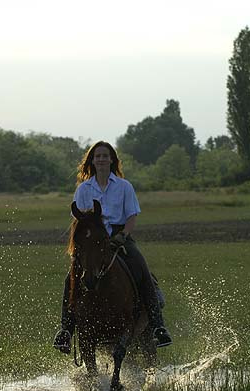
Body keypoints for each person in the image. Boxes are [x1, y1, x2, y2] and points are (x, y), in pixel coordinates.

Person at [53, 140, 172, 354]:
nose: (101, 159)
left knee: (142, 269)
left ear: (112, 160)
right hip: (92, 243)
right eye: (97, 156)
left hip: (120, 238)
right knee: (69, 278)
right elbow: (78, 221)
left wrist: (123, 235)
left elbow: (132, 215)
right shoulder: (83, 189)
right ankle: (66, 331)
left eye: (105, 156)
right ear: (92, 160)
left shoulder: (124, 186)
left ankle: (157, 326)